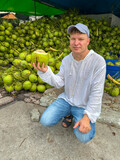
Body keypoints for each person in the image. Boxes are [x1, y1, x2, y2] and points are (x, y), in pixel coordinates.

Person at [31, 23, 106, 143]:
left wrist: (87, 117)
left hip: (83, 106)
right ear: (70, 40)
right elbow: (59, 82)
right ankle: (68, 114)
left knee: (84, 137)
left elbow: (97, 92)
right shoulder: (67, 60)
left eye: (81, 39)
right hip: (66, 100)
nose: (76, 43)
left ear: (88, 41)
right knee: (45, 120)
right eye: (73, 39)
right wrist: (46, 72)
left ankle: (77, 116)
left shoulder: (98, 61)